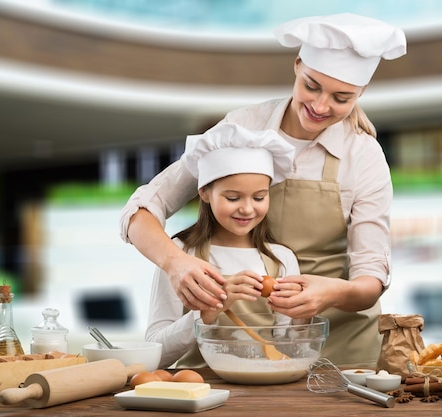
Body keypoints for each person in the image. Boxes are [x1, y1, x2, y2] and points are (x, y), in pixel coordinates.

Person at [120, 13, 407, 367]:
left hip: (340, 350)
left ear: (360, 93)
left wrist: (333, 292)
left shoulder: (363, 155)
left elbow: (371, 278)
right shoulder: (242, 128)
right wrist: (176, 263)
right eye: (312, 86)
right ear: (297, 65)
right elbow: (142, 210)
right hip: (230, 351)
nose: (319, 107)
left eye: (341, 98)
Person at [145, 123, 302, 368]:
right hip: (198, 390)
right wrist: (206, 312)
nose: (248, 208)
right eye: (233, 198)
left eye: (259, 197)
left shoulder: (282, 259)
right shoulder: (182, 254)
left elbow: (286, 347)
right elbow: (155, 354)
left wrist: (301, 313)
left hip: (265, 392)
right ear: (205, 192)